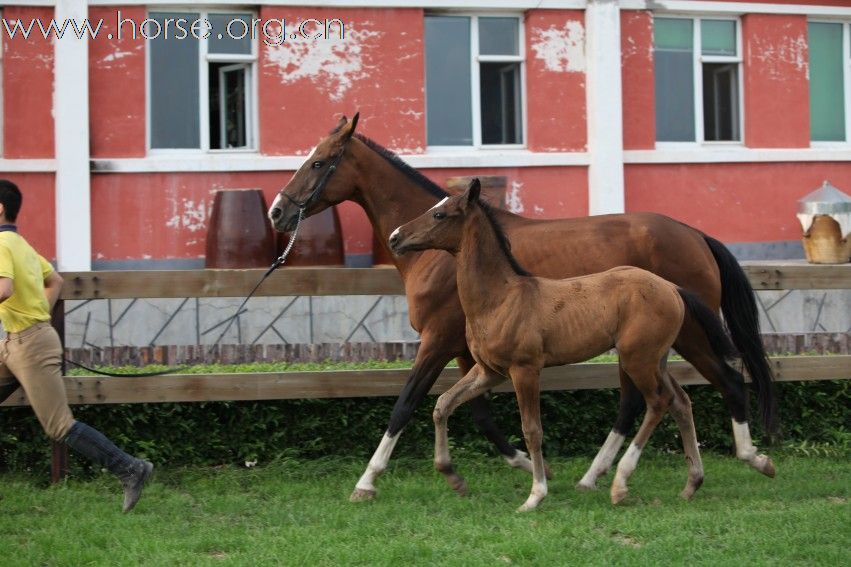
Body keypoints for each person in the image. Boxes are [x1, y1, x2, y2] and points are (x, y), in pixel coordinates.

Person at [0, 179, 152, 512]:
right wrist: (40, 310)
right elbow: (55, 280)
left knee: (59, 426)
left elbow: (4, 289)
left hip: (30, 346)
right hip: (16, 342)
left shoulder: (1, 244)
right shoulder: (21, 245)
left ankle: (130, 468)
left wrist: (34, 317)